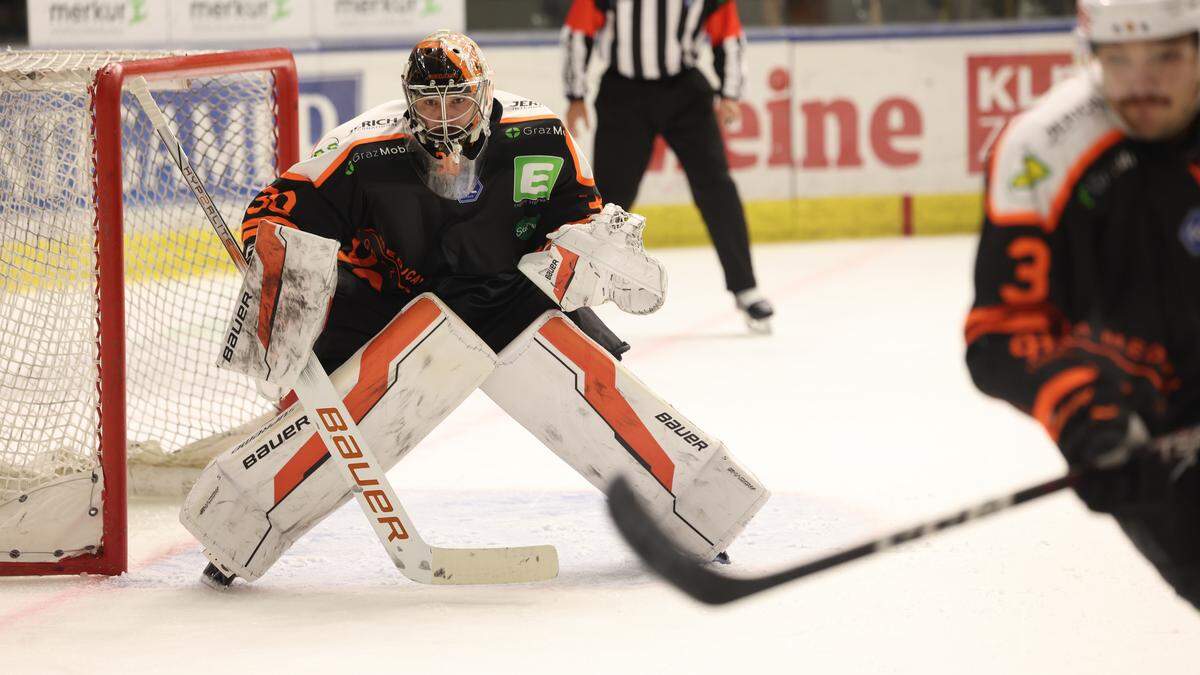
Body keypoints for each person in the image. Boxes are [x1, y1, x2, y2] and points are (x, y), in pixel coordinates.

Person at [183, 30, 769, 585]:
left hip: (506, 294)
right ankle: (238, 524)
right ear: (409, 101)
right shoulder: (363, 149)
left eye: (456, 101)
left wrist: (594, 254)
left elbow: (582, 218)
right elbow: (275, 211)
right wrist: (273, 263)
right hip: (393, 299)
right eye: (428, 103)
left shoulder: (538, 134)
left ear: (483, 94)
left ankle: (697, 509)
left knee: (593, 378)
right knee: (332, 402)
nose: (441, 117)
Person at [965, 0, 1200, 609]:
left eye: (1167, 56)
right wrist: (1079, 407)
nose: (1141, 82)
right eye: (1117, 59)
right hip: (1143, 432)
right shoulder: (1044, 147)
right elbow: (1000, 334)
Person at [561, 0, 775, 332]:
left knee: (716, 187)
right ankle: (573, 291)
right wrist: (575, 95)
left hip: (684, 91)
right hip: (624, 92)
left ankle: (746, 288)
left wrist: (730, 93)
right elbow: (579, 30)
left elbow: (727, 34)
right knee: (608, 200)